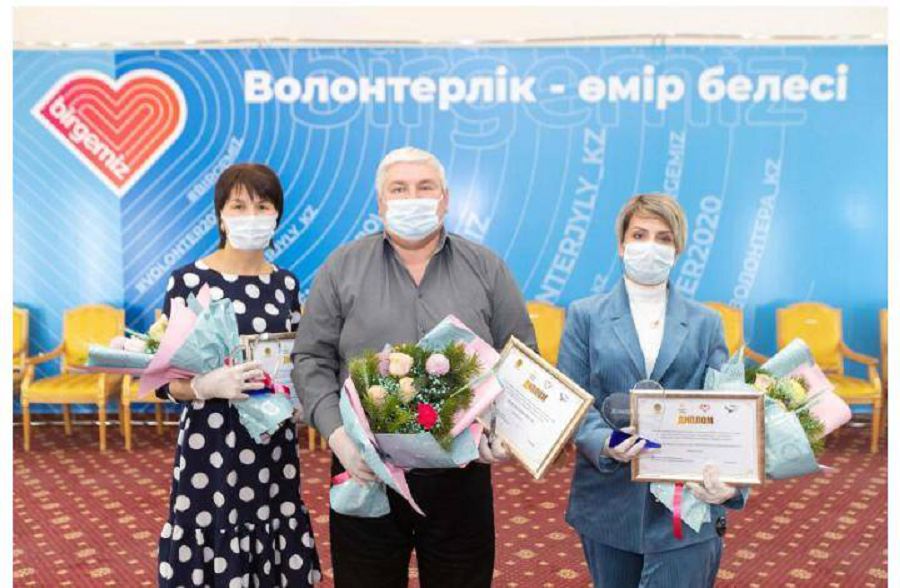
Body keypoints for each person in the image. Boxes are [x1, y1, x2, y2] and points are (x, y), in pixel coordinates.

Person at [292, 146, 537, 587]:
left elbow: (521, 359)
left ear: (445, 199)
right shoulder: (341, 268)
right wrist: (339, 437)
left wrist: (500, 430)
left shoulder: (486, 268)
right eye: (399, 189)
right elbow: (311, 358)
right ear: (380, 202)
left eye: (425, 188)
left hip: (460, 474)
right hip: (365, 470)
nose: (412, 199)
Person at [558, 193, 747, 587]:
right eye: (639, 234)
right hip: (609, 499)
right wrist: (606, 441)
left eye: (663, 238)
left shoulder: (707, 322)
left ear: (677, 249)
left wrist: (731, 484)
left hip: (686, 499)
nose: (650, 246)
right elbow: (571, 400)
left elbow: (728, 411)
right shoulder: (584, 315)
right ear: (621, 244)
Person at [156, 163, 321, 586]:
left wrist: (299, 398)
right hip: (209, 443)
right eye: (239, 205)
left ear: (277, 216)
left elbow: (297, 357)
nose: (252, 215)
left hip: (271, 441)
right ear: (220, 215)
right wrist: (202, 386)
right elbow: (162, 381)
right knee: (211, 531)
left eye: (263, 206)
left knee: (270, 524)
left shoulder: (286, 284)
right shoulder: (188, 281)